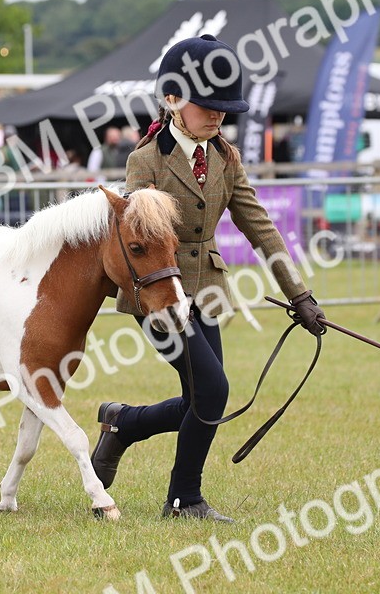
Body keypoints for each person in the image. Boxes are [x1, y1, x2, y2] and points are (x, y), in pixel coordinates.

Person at [90, 33, 326, 523]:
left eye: (225, 107)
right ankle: (183, 500)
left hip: (207, 292)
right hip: (158, 293)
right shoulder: (145, 161)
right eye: (208, 105)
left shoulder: (224, 157)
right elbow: (142, 231)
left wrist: (299, 294)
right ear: (173, 100)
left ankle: (124, 425)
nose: (218, 115)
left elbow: (258, 225)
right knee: (212, 393)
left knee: (205, 398)